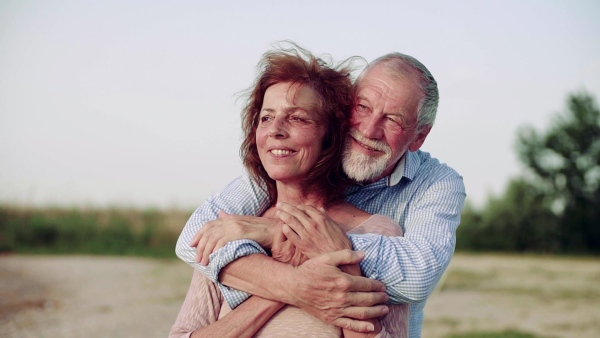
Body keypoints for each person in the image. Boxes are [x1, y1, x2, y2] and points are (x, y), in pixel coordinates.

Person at [175, 50, 466, 338]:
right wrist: (297, 283)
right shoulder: (258, 195)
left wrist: (287, 235)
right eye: (362, 107)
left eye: (393, 120)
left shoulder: (432, 187)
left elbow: (416, 277)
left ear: (418, 136)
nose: (368, 129)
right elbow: (195, 241)